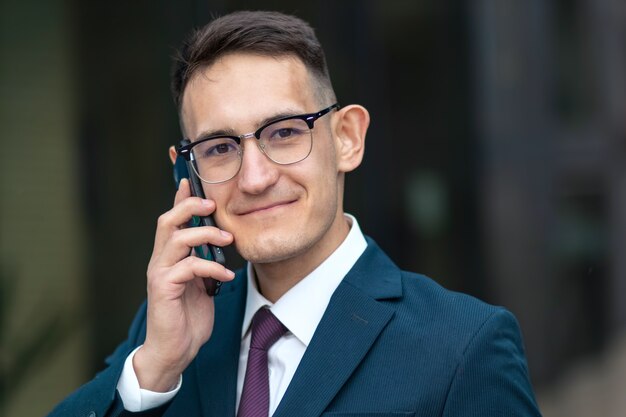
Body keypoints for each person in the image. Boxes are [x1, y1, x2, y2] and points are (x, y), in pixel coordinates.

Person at [48, 10, 541, 417]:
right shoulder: (166, 332)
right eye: (220, 147)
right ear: (187, 173)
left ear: (347, 137)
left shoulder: (463, 347)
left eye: (284, 132)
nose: (255, 178)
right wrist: (154, 368)